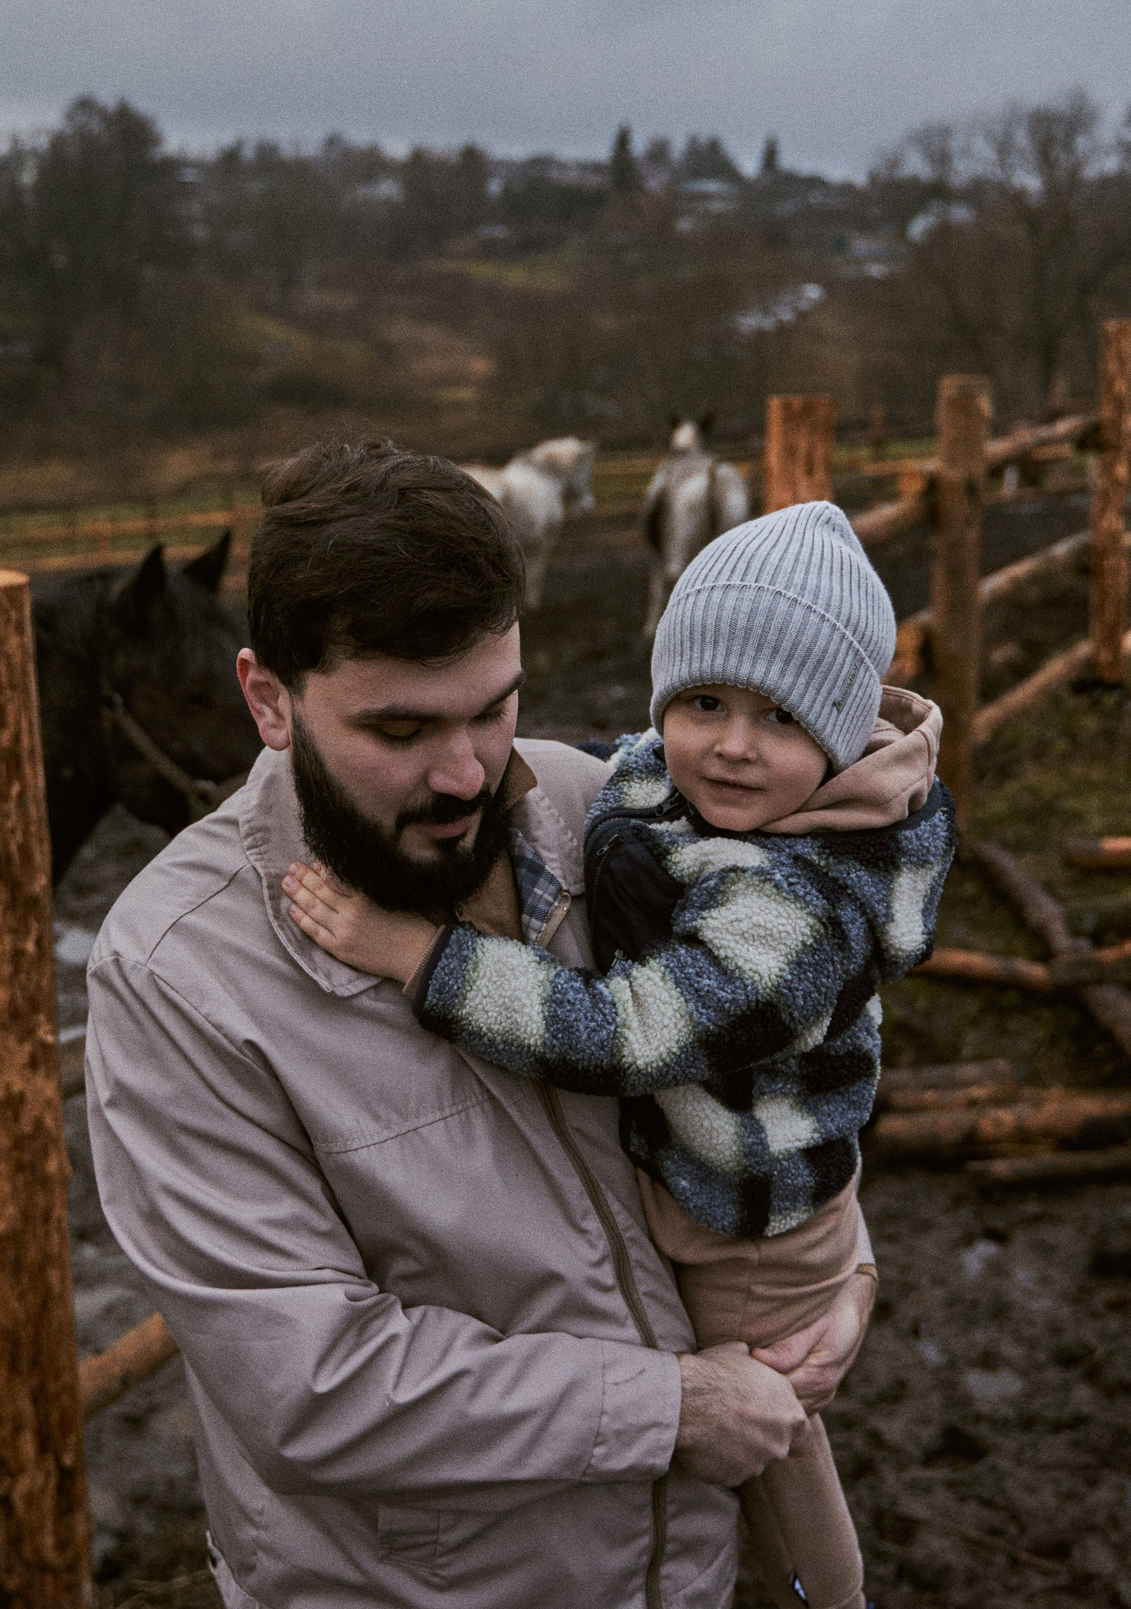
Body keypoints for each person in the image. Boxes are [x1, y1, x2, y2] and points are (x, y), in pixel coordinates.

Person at [85, 442, 877, 1609]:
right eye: (399, 732)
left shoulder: (590, 810)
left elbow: (782, 1048)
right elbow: (310, 1384)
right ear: (269, 700)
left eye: (493, 708)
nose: (465, 774)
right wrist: (670, 1410)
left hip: (684, 1574)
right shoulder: (178, 974)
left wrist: (841, 1281)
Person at [285, 501, 955, 1609]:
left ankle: (826, 1591)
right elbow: (624, 771)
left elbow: (628, 1031)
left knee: (771, 1430)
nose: (731, 744)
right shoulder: (707, 786)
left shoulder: (795, 910)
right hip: (741, 1175)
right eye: (703, 702)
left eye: (779, 719)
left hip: (745, 1221)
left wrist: (418, 954)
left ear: (837, 737)